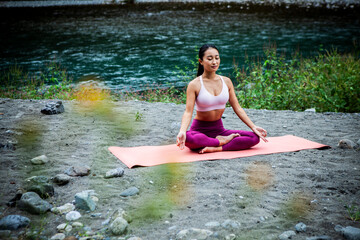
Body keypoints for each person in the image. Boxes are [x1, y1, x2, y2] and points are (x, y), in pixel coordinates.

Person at [176, 44, 267, 154]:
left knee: (254, 137)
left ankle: (216, 146)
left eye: (217, 58)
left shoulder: (227, 82)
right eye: (210, 59)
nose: (214, 62)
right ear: (201, 61)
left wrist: (253, 127)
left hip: (219, 130)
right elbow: (188, 112)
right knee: (190, 139)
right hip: (199, 130)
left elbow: (237, 108)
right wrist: (182, 131)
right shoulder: (194, 84)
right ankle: (218, 142)